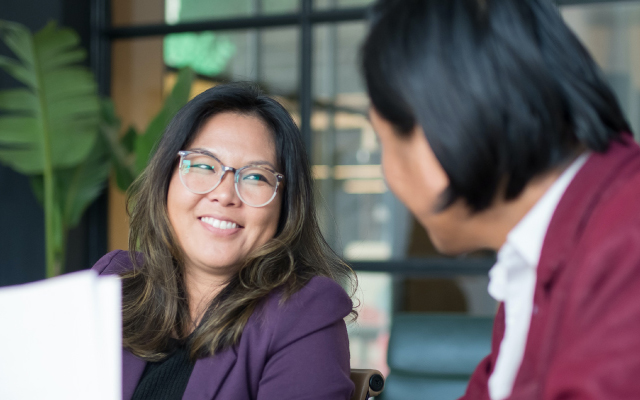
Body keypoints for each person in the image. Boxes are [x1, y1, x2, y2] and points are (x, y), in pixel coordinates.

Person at [361, 0, 640, 399]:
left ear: (433, 141)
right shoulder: (537, 252)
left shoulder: (625, 240)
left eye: (381, 140)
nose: (387, 172)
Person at [92, 82, 356, 400]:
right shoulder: (116, 282)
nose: (224, 194)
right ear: (166, 178)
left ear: (285, 205)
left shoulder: (303, 312)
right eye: (204, 165)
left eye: (256, 176)